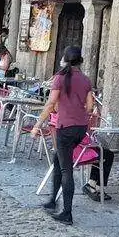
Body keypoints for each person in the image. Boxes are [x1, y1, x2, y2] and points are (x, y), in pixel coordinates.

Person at [32, 45, 96, 226]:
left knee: (66, 169)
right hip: (80, 127)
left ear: (65, 59)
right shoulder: (85, 80)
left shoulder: (60, 78)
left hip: (65, 126)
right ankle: (53, 200)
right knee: (58, 159)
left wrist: (37, 125)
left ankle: (67, 212)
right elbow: (90, 107)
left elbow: (50, 103)